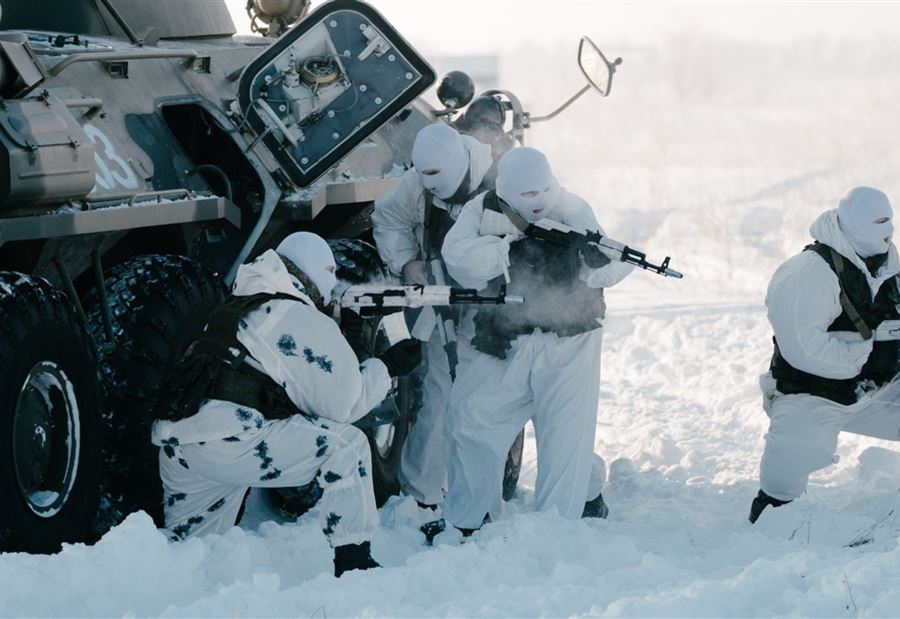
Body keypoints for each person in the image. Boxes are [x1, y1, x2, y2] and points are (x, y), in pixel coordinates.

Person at [151, 232, 421, 576]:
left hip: (181, 448)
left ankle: (148, 587)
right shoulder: (295, 315)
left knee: (192, 554)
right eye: (329, 275)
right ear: (318, 272)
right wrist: (388, 366)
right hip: (231, 444)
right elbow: (345, 407)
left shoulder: (239, 305)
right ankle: (354, 563)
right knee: (347, 446)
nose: (330, 288)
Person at [439, 146, 634, 535]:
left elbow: (609, 269)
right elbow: (457, 258)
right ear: (509, 191)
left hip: (570, 337)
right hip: (504, 336)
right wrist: (508, 251)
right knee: (470, 419)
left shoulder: (573, 208)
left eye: (544, 190)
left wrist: (590, 260)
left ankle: (554, 529)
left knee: (566, 435)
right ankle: (469, 520)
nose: (539, 201)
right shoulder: (483, 209)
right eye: (528, 194)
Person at [751, 186, 900, 523]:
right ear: (854, 223)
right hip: (813, 395)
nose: (889, 229)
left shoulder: (887, 268)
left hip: (874, 391)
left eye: (890, 220)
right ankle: (772, 512)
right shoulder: (808, 270)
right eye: (879, 222)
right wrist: (869, 352)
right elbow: (804, 349)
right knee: (793, 466)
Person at [371, 122, 493, 510]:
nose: (433, 187)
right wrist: (407, 262)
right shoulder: (416, 185)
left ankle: (484, 492)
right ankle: (422, 493)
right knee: (441, 395)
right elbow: (388, 220)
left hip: (496, 310)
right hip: (443, 305)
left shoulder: (498, 183)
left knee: (491, 401)